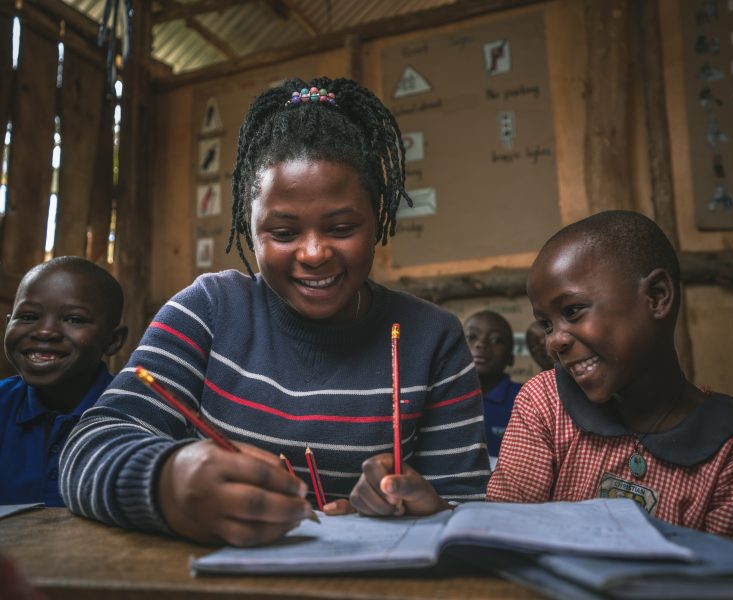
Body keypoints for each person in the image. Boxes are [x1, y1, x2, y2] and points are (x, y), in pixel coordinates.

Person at [59, 77, 490, 547]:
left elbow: (468, 507)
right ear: (250, 227)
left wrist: (425, 507)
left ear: (380, 214)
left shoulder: (433, 339)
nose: (313, 253)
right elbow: (87, 447)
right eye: (283, 233)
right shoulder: (209, 310)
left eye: (342, 227)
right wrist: (167, 483)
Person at [487, 210, 733, 554]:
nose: (554, 341)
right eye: (546, 324)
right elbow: (504, 536)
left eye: (572, 311)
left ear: (657, 296)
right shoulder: (545, 401)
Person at [1, 256, 127, 506]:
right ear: (7, 324)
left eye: (74, 319)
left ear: (113, 341)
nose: (45, 331)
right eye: (27, 316)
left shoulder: (129, 414)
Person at [463, 310, 521, 459]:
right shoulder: (443, 398)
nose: (481, 344)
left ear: (511, 357)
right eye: (471, 337)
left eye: (496, 340)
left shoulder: (525, 400)